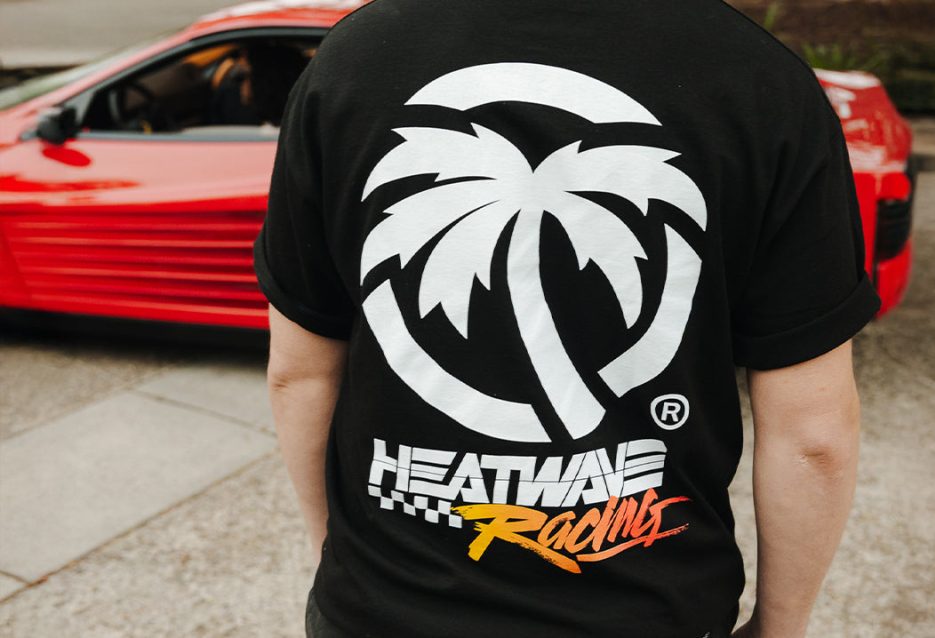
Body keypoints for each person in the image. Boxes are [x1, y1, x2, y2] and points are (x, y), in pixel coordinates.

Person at [252, 1, 881, 636]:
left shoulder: (354, 62)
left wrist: (339, 562)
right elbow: (813, 435)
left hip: (380, 609)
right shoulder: (761, 80)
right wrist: (779, 626)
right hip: (656, 611)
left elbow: (299, 375)